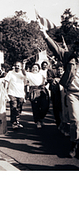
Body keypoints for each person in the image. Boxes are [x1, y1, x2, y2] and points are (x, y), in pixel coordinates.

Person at [41, 26, 79, 157]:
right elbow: (56, 48)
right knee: (75, 120)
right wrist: (45, 35)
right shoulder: (69, 58)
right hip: (73, 93)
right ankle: (74, 143)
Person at [22, 62, 49, 128]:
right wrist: (24, 64)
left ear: (39, 69)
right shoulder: (29, 74)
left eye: (36, 67)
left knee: (45, 106)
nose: (34, 69)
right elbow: (23, 71)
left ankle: (41, 118)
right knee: (36, 107)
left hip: (42, 90)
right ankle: (38, 121)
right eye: (33, 67)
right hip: (34, 91)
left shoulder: (41, 74)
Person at [3, 61, 26, 129]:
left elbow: (25, 82)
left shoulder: (23, 73)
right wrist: (5, 91)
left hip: (21, 93)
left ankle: (17, 121)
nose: (17, 67)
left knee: (19, 108)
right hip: (12, 93)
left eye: (18, 66)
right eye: (16, 65)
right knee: (13, 107)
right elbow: (6, 81)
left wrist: (25, 94)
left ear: (21, 67)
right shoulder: (10, 73)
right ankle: (14, 122)